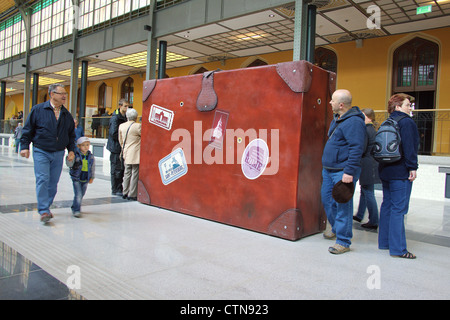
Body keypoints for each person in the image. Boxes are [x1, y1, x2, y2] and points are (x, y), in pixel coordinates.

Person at [20, 83, 76, 224]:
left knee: (53, 183)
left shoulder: (66, 115)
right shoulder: (38, 110)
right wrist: (24, 146)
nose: (64, 96)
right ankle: (44, 209)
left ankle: (46, 205)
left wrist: (71, 150)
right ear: (52, 94)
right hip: (41, 150)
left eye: (65, 94)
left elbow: (71, 135)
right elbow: (27, 130)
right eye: (61, 93)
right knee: (43, 179)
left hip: (58, 153)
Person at [321, 89, 366, 254]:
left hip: (342, 171)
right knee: (327, 201)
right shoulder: (338, 119)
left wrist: (349, 171)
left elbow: (356, 148)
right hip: (329, 169)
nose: (330, 103)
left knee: (342, 205)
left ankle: (343, 240)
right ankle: (335, 228)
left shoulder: (354, 122)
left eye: (332, 101)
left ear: (341, 104)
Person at [378, 93, 419, 259]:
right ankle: (398, 249)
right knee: (398, 209)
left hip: (385, 170)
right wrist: (412, 167)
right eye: (408, 105)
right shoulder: (406, 122)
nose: (410, 108)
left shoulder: (386, 122)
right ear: (398, 107)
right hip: (400, 171)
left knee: (387, 206)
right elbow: (410, 146)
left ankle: (384, 242)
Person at [353, 108, 380, 229]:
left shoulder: (366, 130)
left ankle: (373, 220)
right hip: (371, 163)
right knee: (364, 190)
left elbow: (362, 148)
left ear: (368, 117)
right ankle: (359, 214)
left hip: (366, 163)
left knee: (368, 192)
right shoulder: (372, 129)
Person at [66, 136, 95, 218]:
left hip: (85, 177)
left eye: (87, 145)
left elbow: (92, 167)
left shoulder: (91, 156)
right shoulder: (75, 155)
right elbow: (69, 164)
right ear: (78, 146)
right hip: (76, 178)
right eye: (83, 145)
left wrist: (92, 177)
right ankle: (76, 210)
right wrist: (69, 159)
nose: (86, 147)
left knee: (81, 194)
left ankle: (74, 206)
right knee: (78, 194)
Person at [106, 99, 129, 196]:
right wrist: (122, 138)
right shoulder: (115, 118)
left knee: (120, 169)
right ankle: (115, 189)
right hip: (115, 147)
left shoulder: (124, 117)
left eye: (128, 106)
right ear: (120, 106)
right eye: (125, 106)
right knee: (116, 168)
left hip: (120, 147)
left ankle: (119, 187)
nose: (127, 108)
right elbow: (113, 133)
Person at [118, 108, 141, 201]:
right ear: (135, 117)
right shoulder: (137, 126)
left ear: (127, 116)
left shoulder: (121, 126)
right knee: (135, 173)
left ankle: (125, 192)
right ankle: (132, 194)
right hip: (135, 153)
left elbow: (120, 140)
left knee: (127, 173)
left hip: (126, 152)